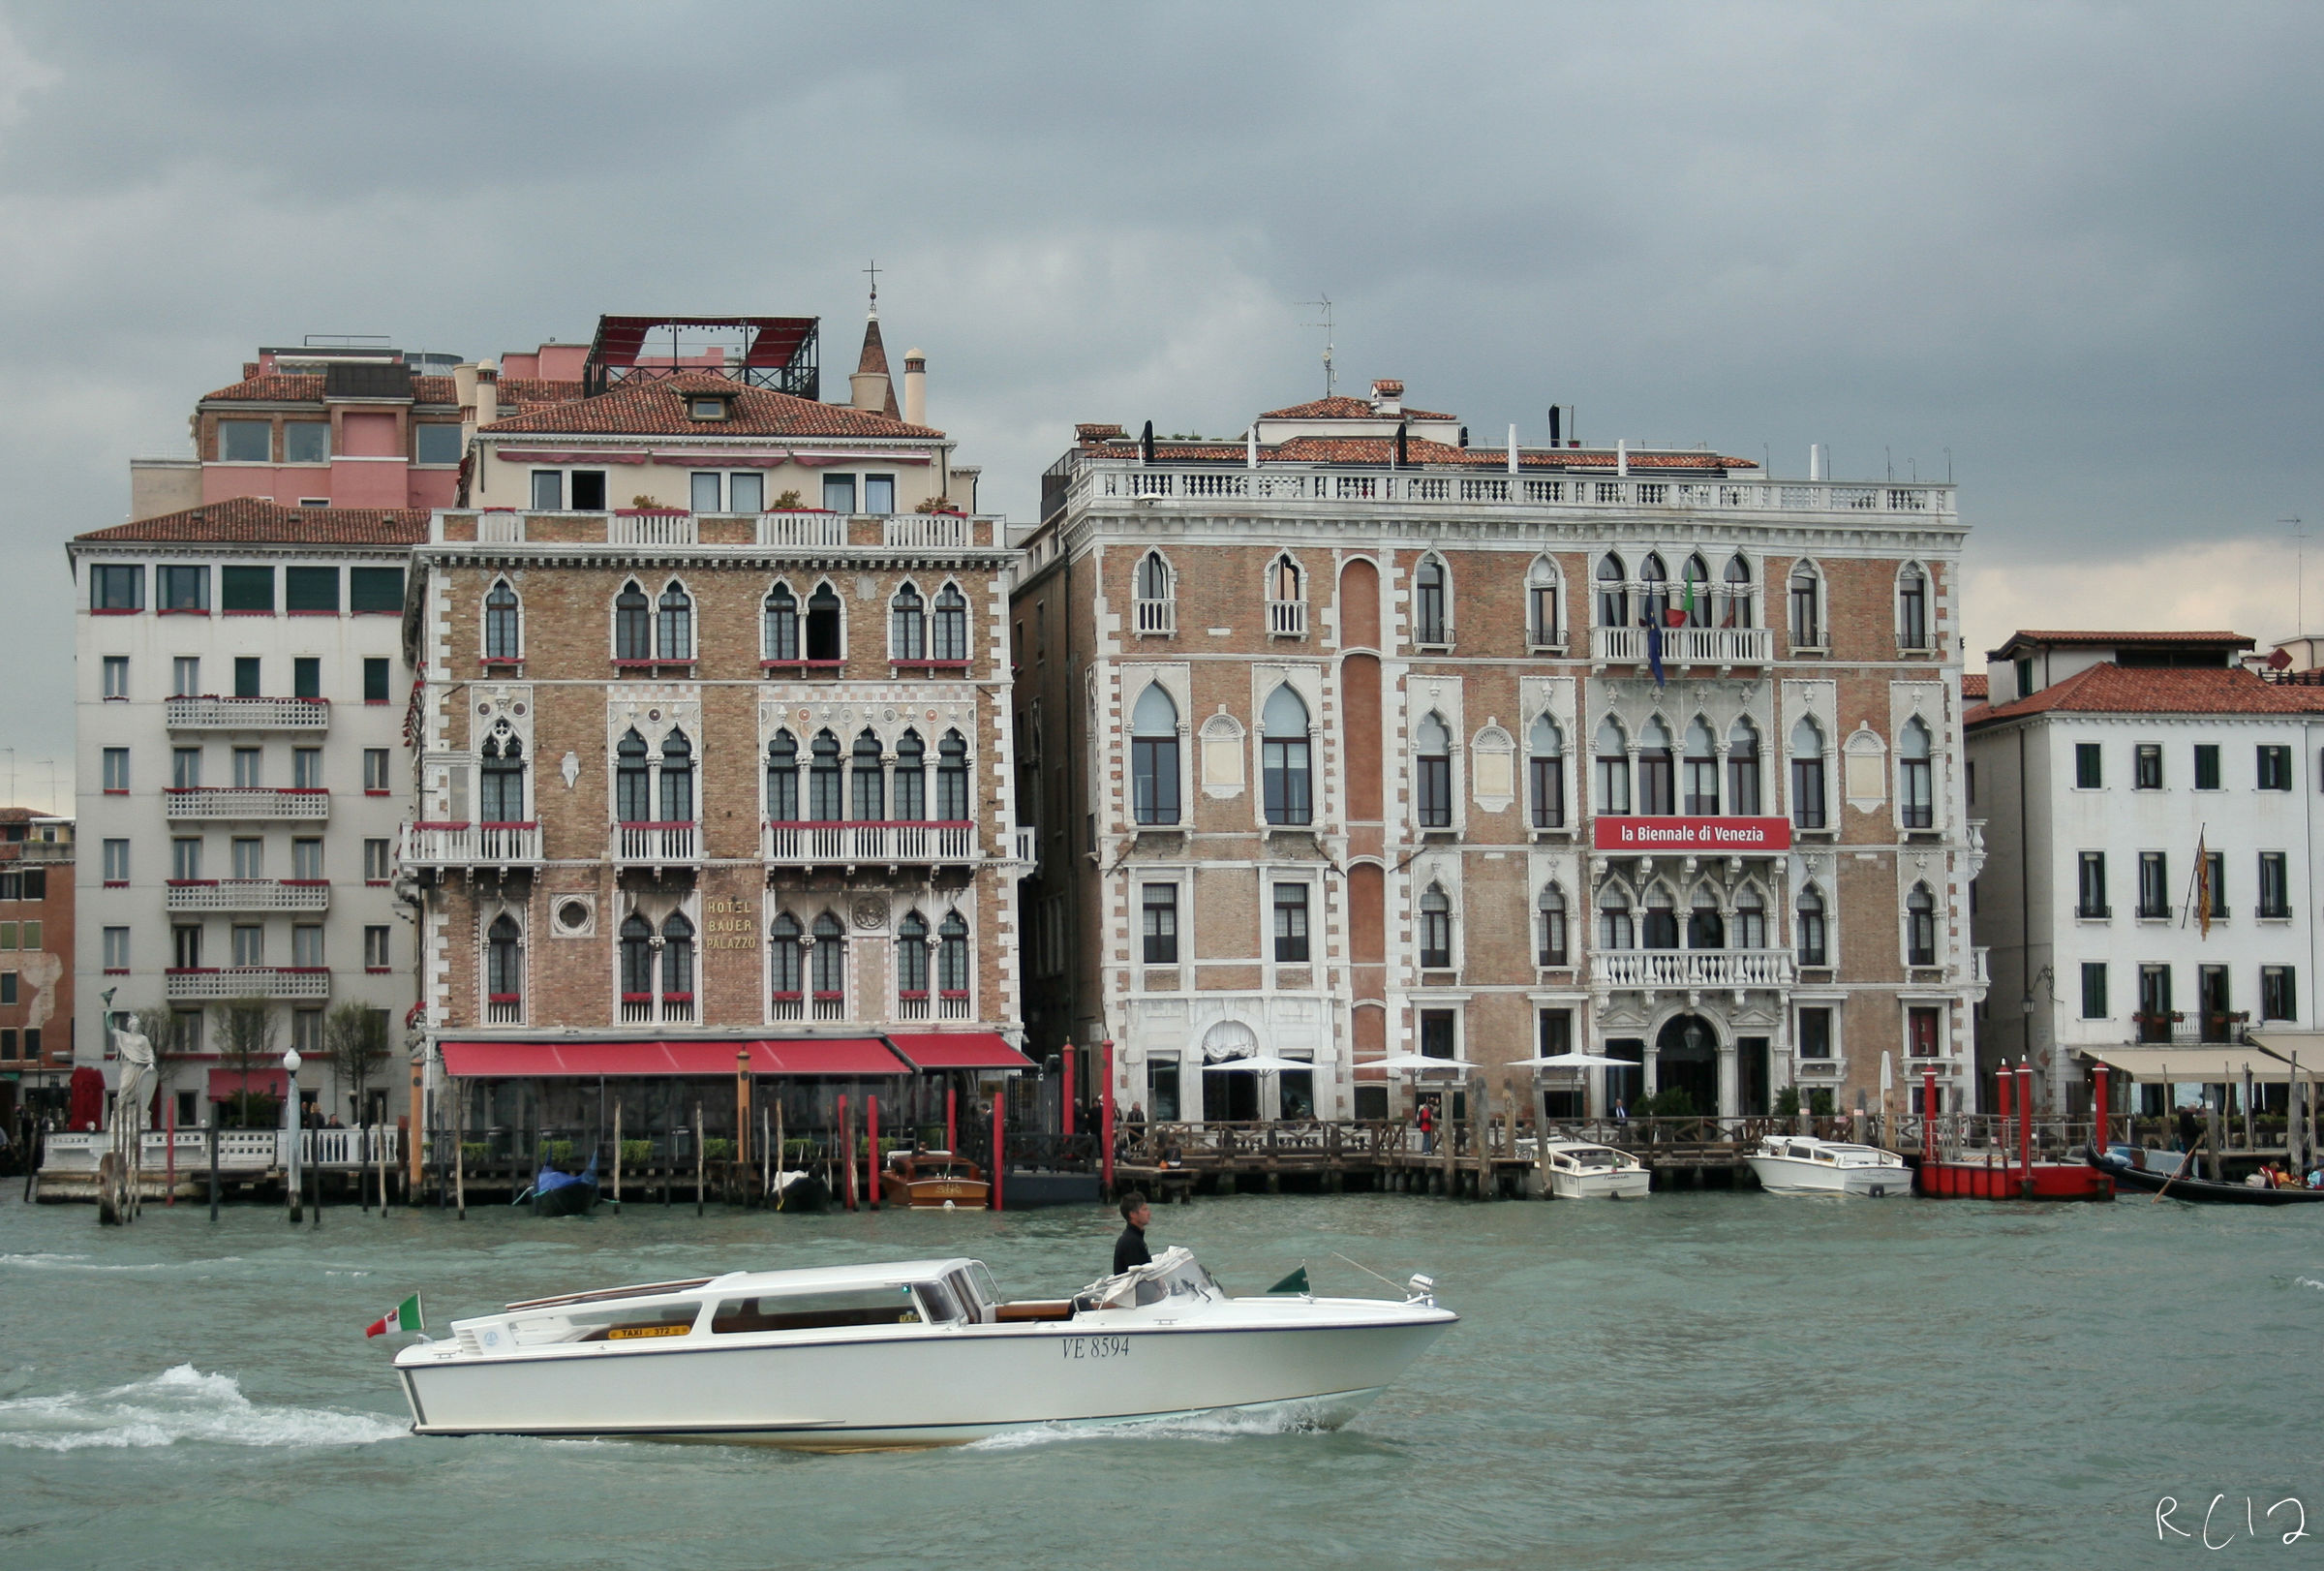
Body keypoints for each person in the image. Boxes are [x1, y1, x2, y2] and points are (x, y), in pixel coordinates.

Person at [1114, 1190, 1154, 1274]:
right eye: (1144, 1209)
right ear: (1133, 1214)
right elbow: (1141, 1277)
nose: (1149, 1213)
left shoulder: (1134, 1237)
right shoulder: (1131, 1242)